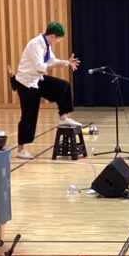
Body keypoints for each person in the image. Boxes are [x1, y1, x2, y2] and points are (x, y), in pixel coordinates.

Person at [12, 22, 81, 160]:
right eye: (58, 38)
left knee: (63, 86)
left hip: (37, 79)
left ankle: (63, 118)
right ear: (52, 36)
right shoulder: (35, 44)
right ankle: (21, 150)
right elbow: (40, 67)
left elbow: (51, 59)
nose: (59, 41)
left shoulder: (46, 43)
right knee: (28, 116)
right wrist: (57, 64)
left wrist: (65, 62)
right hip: (26, 83)